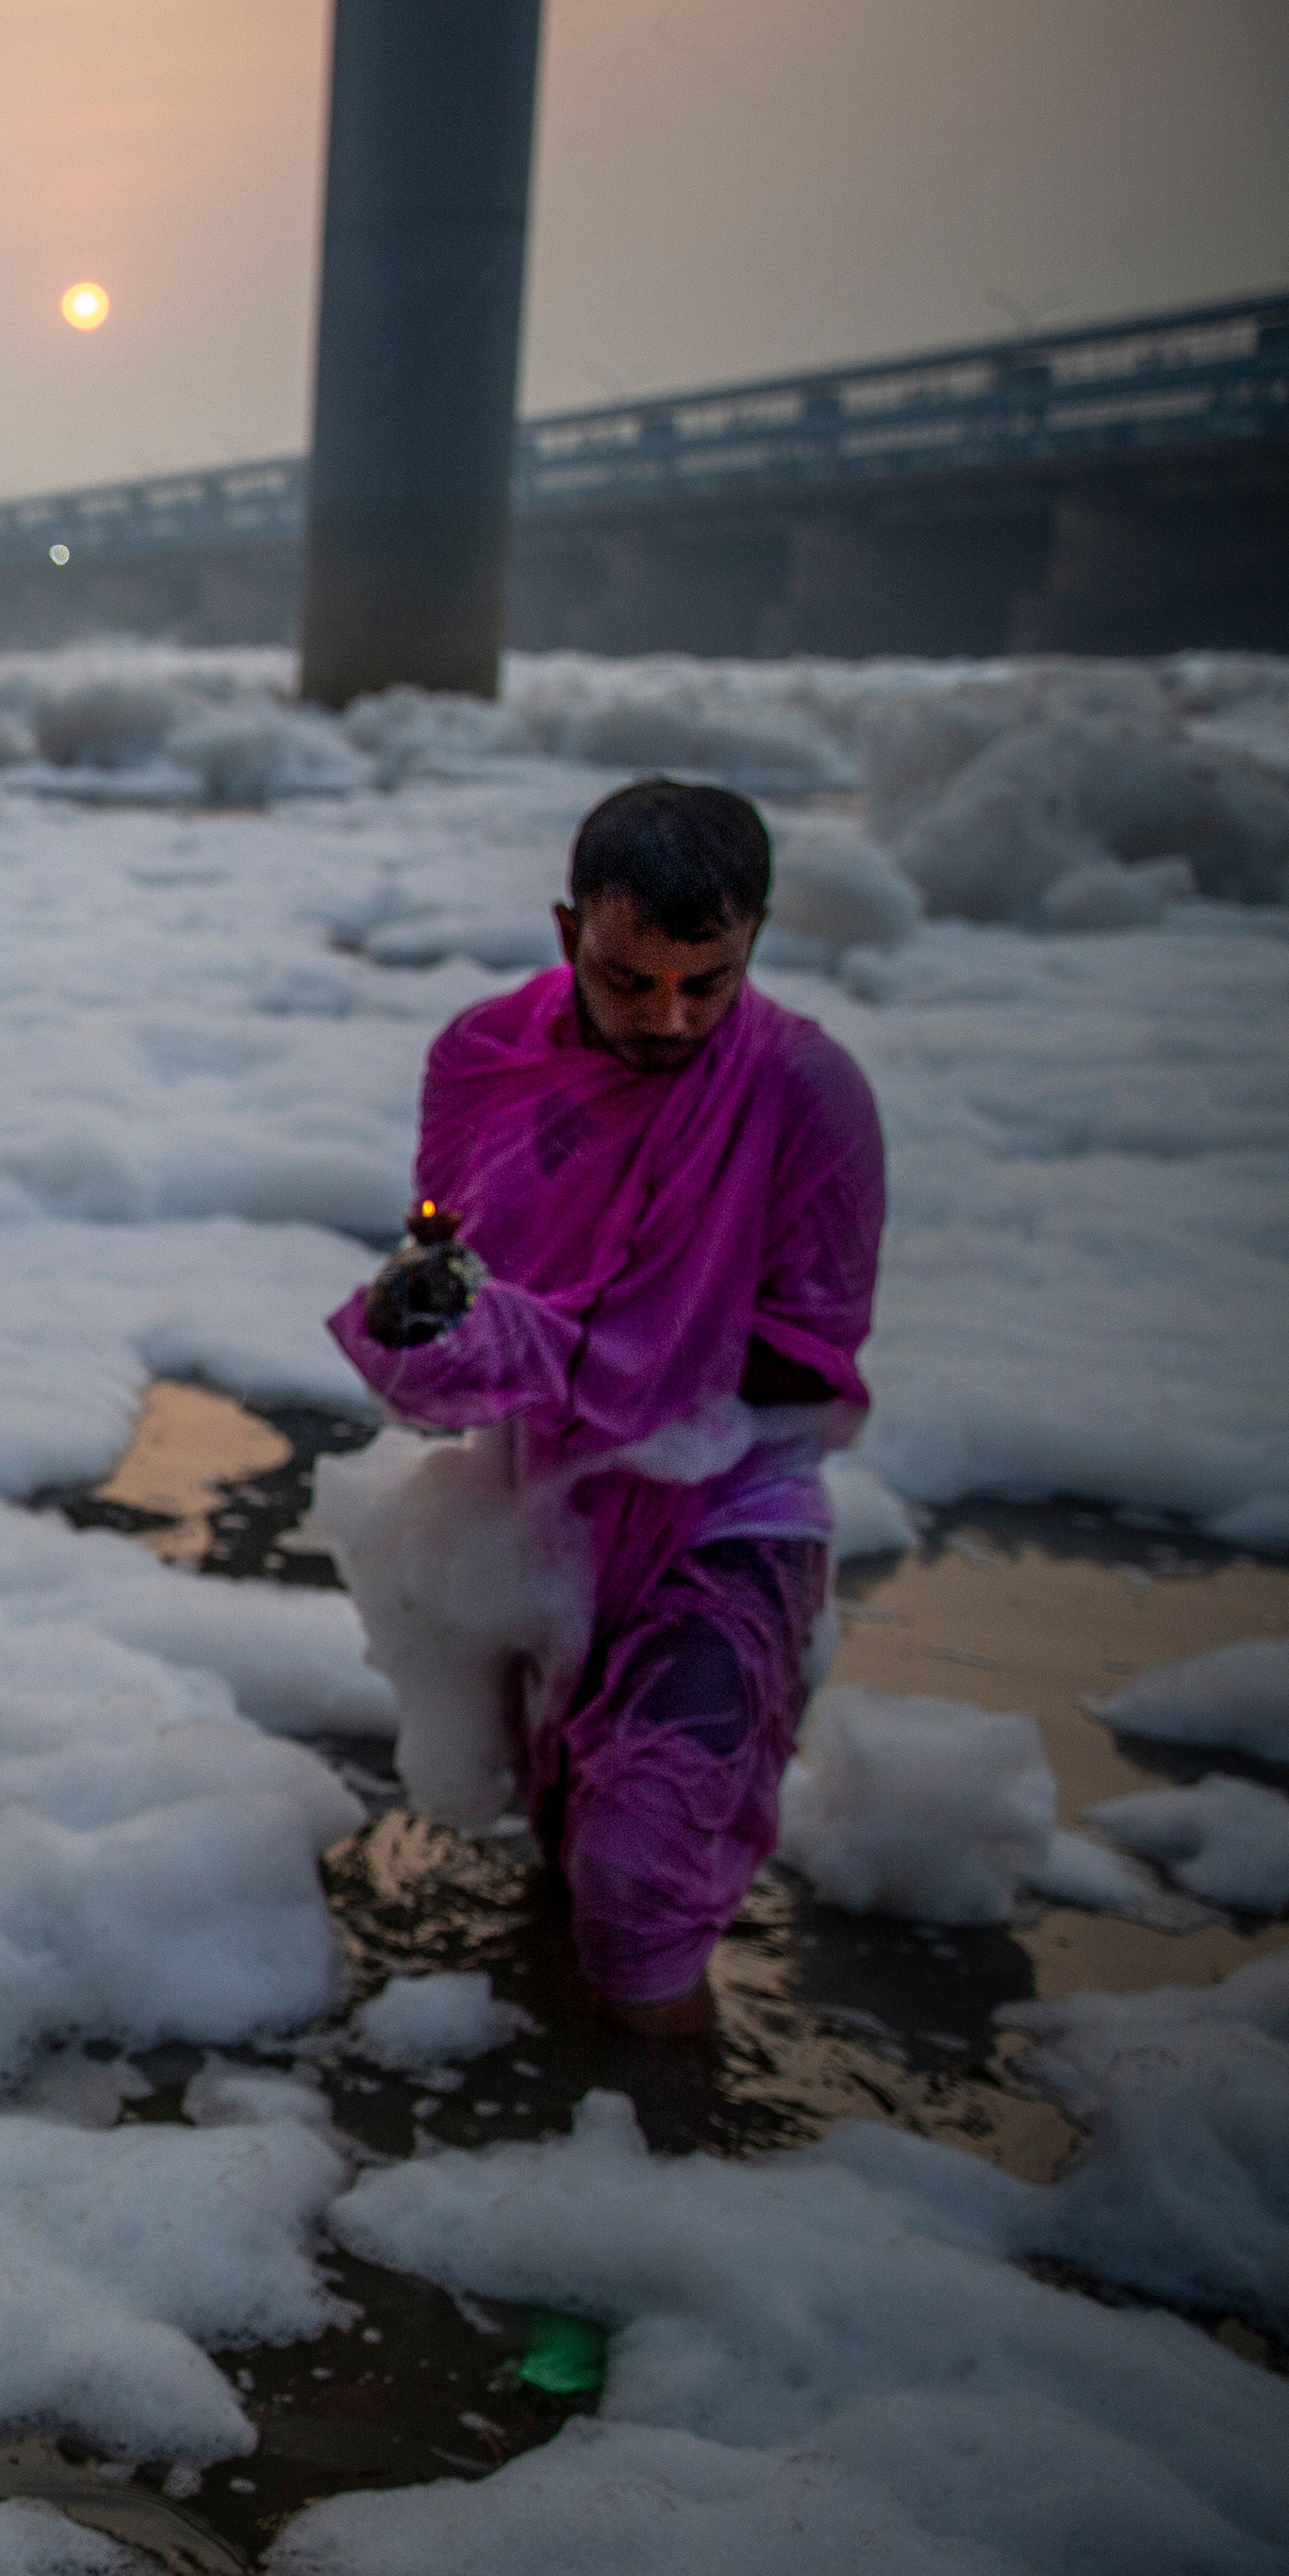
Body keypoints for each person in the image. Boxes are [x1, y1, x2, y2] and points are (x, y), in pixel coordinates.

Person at [336, 777, 886, 2035]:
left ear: (753, 945)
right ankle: (578, 2142)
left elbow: (816, 1356)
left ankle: (681, 2160)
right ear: (565, 928)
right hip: (550, 1514)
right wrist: (435, 1319)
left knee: (641, 1882)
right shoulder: (483, 1060)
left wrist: (586, 1343)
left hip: (726, 1508)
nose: (670, 1017)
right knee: (568, 1839)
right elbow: (458, 1266)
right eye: (627, 978)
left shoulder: (810, 1095)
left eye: (710, 980)